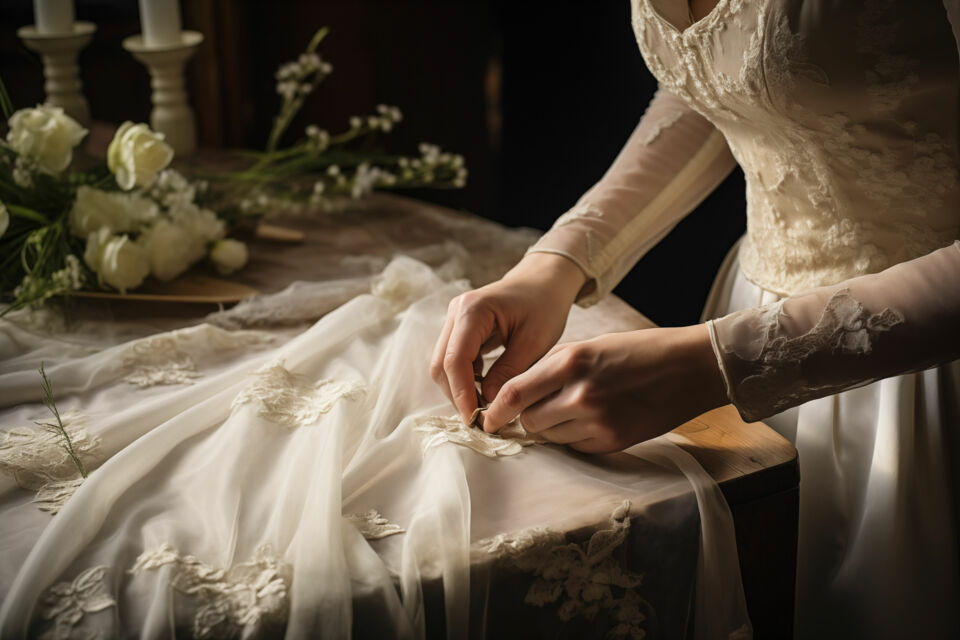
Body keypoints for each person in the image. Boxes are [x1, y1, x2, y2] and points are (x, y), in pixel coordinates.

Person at [432, 1, 960, 638]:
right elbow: (727, 84)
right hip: (743, 319)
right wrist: (559, 261)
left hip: (926, 370)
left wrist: (722, 362)